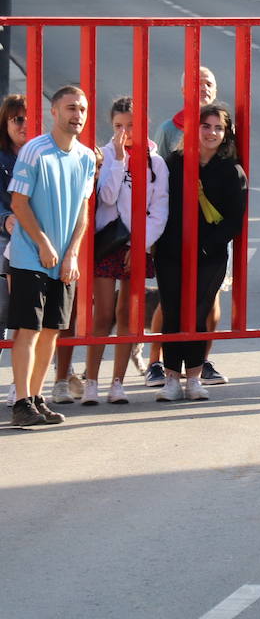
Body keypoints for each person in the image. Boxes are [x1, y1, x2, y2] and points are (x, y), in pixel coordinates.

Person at [7, 86, 98, 427]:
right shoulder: (34, 151)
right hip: (31, 255)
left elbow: (83, 211)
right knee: (28, 330)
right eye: (71, 108)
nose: (78, 115)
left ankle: (36, 397)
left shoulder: (87, 157)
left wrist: (71, 253)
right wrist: (44, 244)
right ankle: (20, 402)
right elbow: (18, 202)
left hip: (63, 262)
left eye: (83, 109)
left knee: (51, 331)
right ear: (54, 112)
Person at [154, 104, 247, 402]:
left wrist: (209, 244)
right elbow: (157, 204)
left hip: (211, 255)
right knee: (172, 310)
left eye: (218, 128)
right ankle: (171, 377)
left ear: (226, 134)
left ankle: (193, 377)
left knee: (198, 312)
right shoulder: (173, 163)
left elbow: (234, 219)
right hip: (170, 250)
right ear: (194, 129)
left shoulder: (232, 171)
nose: (211, 133)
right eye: (206, 126)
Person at [81, 98, 170, 404]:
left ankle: (117, 383)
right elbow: (105, 197)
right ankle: (90, 380)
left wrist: (140, 244)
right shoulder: (105, 155)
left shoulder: (155, 163)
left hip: (137, 246)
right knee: (103, 314)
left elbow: (159, 210)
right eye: (119, 125)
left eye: (131, 125)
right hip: (108, 243)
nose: (125, 131)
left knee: (127, 315)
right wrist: (118, 161)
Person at [148, 66, 227, 388]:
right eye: (196, 83)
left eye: (208, 82)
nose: (203, 87)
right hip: (176, 226)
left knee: (210, 300)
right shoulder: (170, 128)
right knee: (171, 299)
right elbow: (158, 175)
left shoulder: (221, 125)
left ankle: (202, 360)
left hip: (212, 228)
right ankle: (155, 360)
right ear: (184, 91)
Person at [0, 95, 30, 406]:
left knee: (27, 318)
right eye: (17, 119)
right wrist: (5, 218)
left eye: (28, 118)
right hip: (6, 237)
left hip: (35, 240)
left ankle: (18, 384)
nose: (24, 125)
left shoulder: (42, 154)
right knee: (3, 311)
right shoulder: (2, 158)